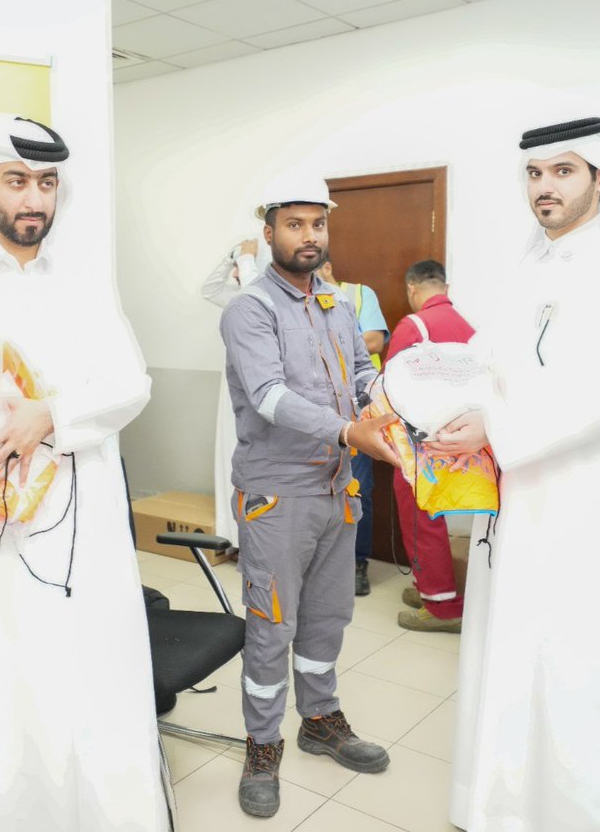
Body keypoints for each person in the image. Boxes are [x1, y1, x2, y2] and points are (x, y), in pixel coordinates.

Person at [0, 114, 169, 830]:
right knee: (0, 684)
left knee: (87, 676)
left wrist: (51, 414)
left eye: (46, 183)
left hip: (82, 520)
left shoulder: (84, 283)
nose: (33, 200)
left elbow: (131, 383)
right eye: (16, 182)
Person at [431, 117, 600, 831]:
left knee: (581, 673)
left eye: (563, 172)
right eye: (535, 174)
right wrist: (442, 405)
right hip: (516, 512)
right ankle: (501, 808)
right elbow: (490, 367)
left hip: (592, 512)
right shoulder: (529, 269)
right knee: (512, 660)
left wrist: (499, 427)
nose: (544, 187)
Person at [220, 168, 400, 818]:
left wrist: (387, 407)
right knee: (273, 627)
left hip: (335, 489)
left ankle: (319, 719)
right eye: (293, 223)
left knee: (328, 619)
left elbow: (360, 372)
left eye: (317, 223)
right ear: (268, 231)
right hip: (277, 495)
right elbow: (269, 397)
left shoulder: (338, 302)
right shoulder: (250, 309)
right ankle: (262, 742)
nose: (308, 235)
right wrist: (350, 427)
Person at [385, 260, 475, 633]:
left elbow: (389, 385)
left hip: (421, 441)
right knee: (437, 517)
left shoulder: (414, 326)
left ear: (411, 288)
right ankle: (431, 590)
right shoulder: (469, 328)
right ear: (446, 287)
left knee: (421, 519)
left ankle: (440, 606)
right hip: (465, 438)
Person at [318, 258, 388, 595]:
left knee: (359, 487)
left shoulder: (358, 294)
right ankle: (324, 564)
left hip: (357, 409)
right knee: (317, 486)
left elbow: (374, 342)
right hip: (316, 411)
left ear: (329, 268)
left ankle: (358, 563)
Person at [202, 235, 271, 553]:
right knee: (229, 457)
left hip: (259, 391)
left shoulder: (268, 297)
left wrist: (247, 261)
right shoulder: (237, 297)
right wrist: (232, 255)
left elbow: (257, 296)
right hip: (230, 391)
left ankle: (257, 536)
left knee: (257, 461)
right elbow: (210, 288)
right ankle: (233, 534)